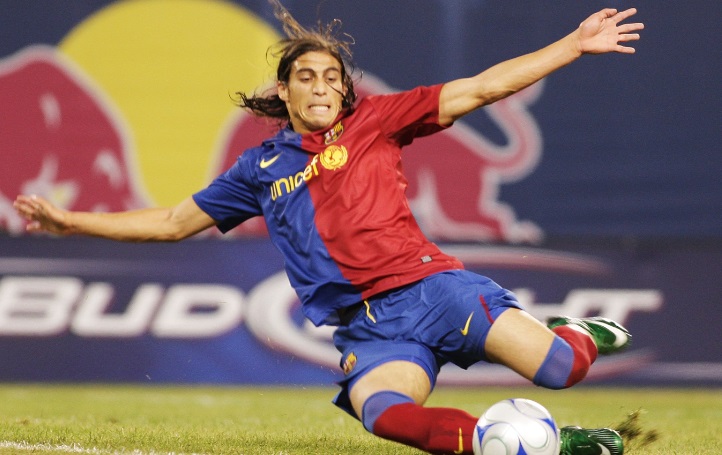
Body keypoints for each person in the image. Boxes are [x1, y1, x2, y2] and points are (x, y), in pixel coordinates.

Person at [14, 1, 643, 454]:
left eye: (332, 77)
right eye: (306, 77)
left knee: (563, 369)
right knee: (383, 413)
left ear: (345, 92)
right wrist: (71, 220)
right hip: (369, 327)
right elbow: (173, 222)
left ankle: (577, 332)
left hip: (434, 292)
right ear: (284, 92)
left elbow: (480, 89)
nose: (320, 87)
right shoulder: (259, 168)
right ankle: (536, 444)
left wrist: (572, 44)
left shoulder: (377, 121)